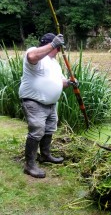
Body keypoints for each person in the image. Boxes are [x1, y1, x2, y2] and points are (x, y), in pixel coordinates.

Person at [19, 33, 77, 178]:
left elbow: (61, 82)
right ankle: (29, 165)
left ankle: (45, 155)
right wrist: (53, 44)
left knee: (49, 129)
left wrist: (70, 82)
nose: (59, 50)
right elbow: (32, 57)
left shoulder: (54, 63)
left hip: (50, 104)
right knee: (37, 130)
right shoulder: (35, 54)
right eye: (58, 47)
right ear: (51, 45)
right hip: (34, 102)